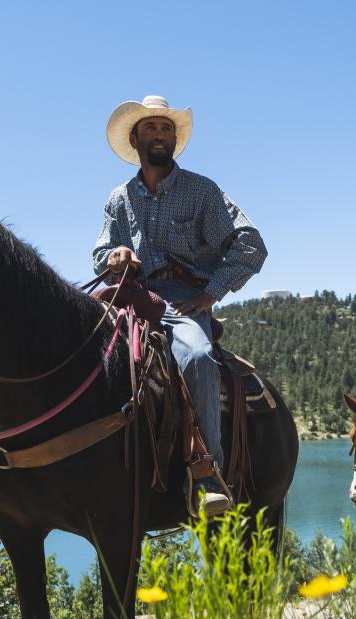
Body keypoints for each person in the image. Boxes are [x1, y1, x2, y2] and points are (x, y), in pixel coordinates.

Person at [92, 96, 267, 515]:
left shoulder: (201, 191)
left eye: (166, 129)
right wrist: (114, 255)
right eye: (150, 128)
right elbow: (100, 254)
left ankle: (206, 473)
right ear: (135, 139)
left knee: (198, 356)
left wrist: (210, 294)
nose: (159, 135)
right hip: (129, 296)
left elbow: (251, 246)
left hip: (180, 303)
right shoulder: (120, 198)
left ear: (173, 140)